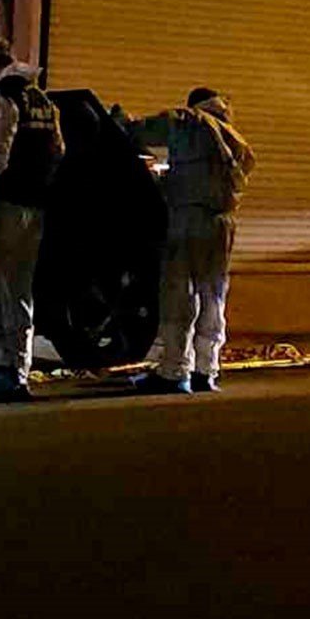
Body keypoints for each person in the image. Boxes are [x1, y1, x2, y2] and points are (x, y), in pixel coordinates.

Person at [119, 87, 255, 395]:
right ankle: (205, 370)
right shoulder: (235, 138)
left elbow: (145, 130)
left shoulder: (192, 121)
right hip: (222, 223)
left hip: (187, 219)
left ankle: (174, 370)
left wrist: (120, 120)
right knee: (213, 296)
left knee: (179, 293)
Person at [0, 38, 64, 403]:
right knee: (19, 288)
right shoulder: (41, 98)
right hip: (35, 206)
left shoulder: (5, 95)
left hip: (3, 202)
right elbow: (59, 150)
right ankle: (18, 370)